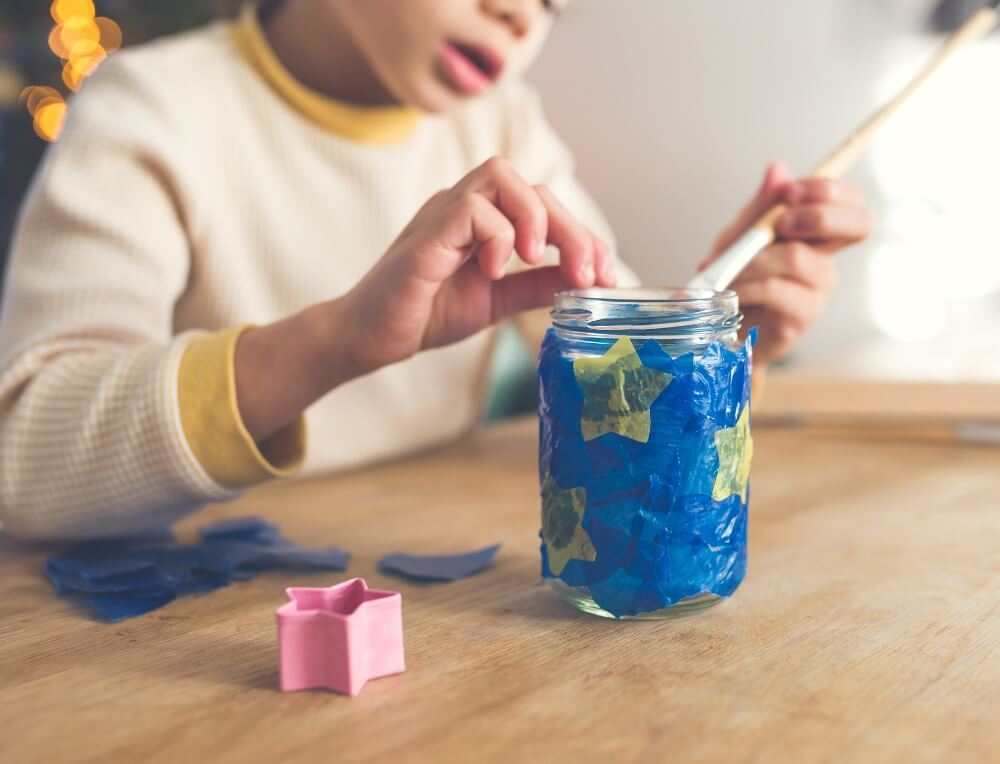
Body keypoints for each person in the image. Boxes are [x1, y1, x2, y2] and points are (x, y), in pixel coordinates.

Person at [0, 0, 874, 539]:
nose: (520, 14)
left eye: (552, 1)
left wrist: (730, 331)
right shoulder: (152, 109)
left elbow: (623, 382)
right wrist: (336, 341)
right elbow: (24, 457)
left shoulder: (505, 128)